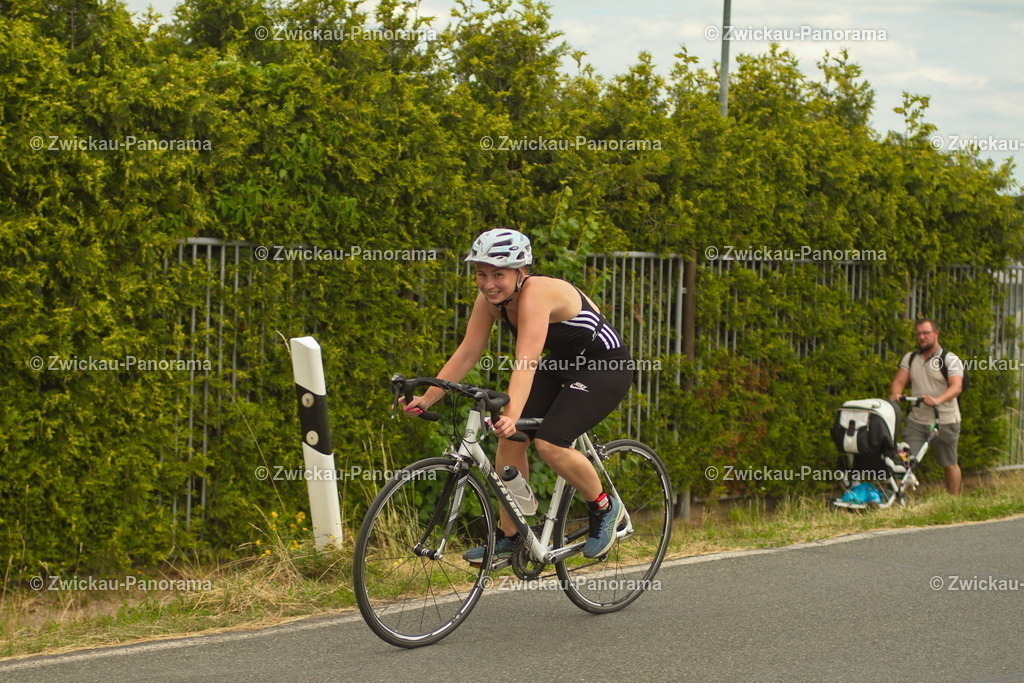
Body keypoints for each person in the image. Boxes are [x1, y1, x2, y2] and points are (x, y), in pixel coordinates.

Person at [402, 228, 634, 561]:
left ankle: (603, 507)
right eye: (482, 274)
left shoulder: (537, 293)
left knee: (551, 443)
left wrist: (511, 416)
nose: (488, 283)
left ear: (520, 271)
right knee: (510, 441)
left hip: (603, 365)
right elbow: (468, 352)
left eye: (498, 274)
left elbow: (526, 361)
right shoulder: (489, 301)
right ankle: (513, 536)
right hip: (561, 365)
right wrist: (427, 398)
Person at [889, 318, 965, 494]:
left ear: (936, 334)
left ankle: (953, 501)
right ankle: (901, 500)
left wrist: (937, 400)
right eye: (919, 334)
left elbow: (956, 387)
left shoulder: (950, 359)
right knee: (904, 460)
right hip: (917, 420)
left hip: (945, 420)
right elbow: (899, 381)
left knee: (949, 462)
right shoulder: (910, 358)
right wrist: (896, 393)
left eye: (926, 333)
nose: (922, 337)